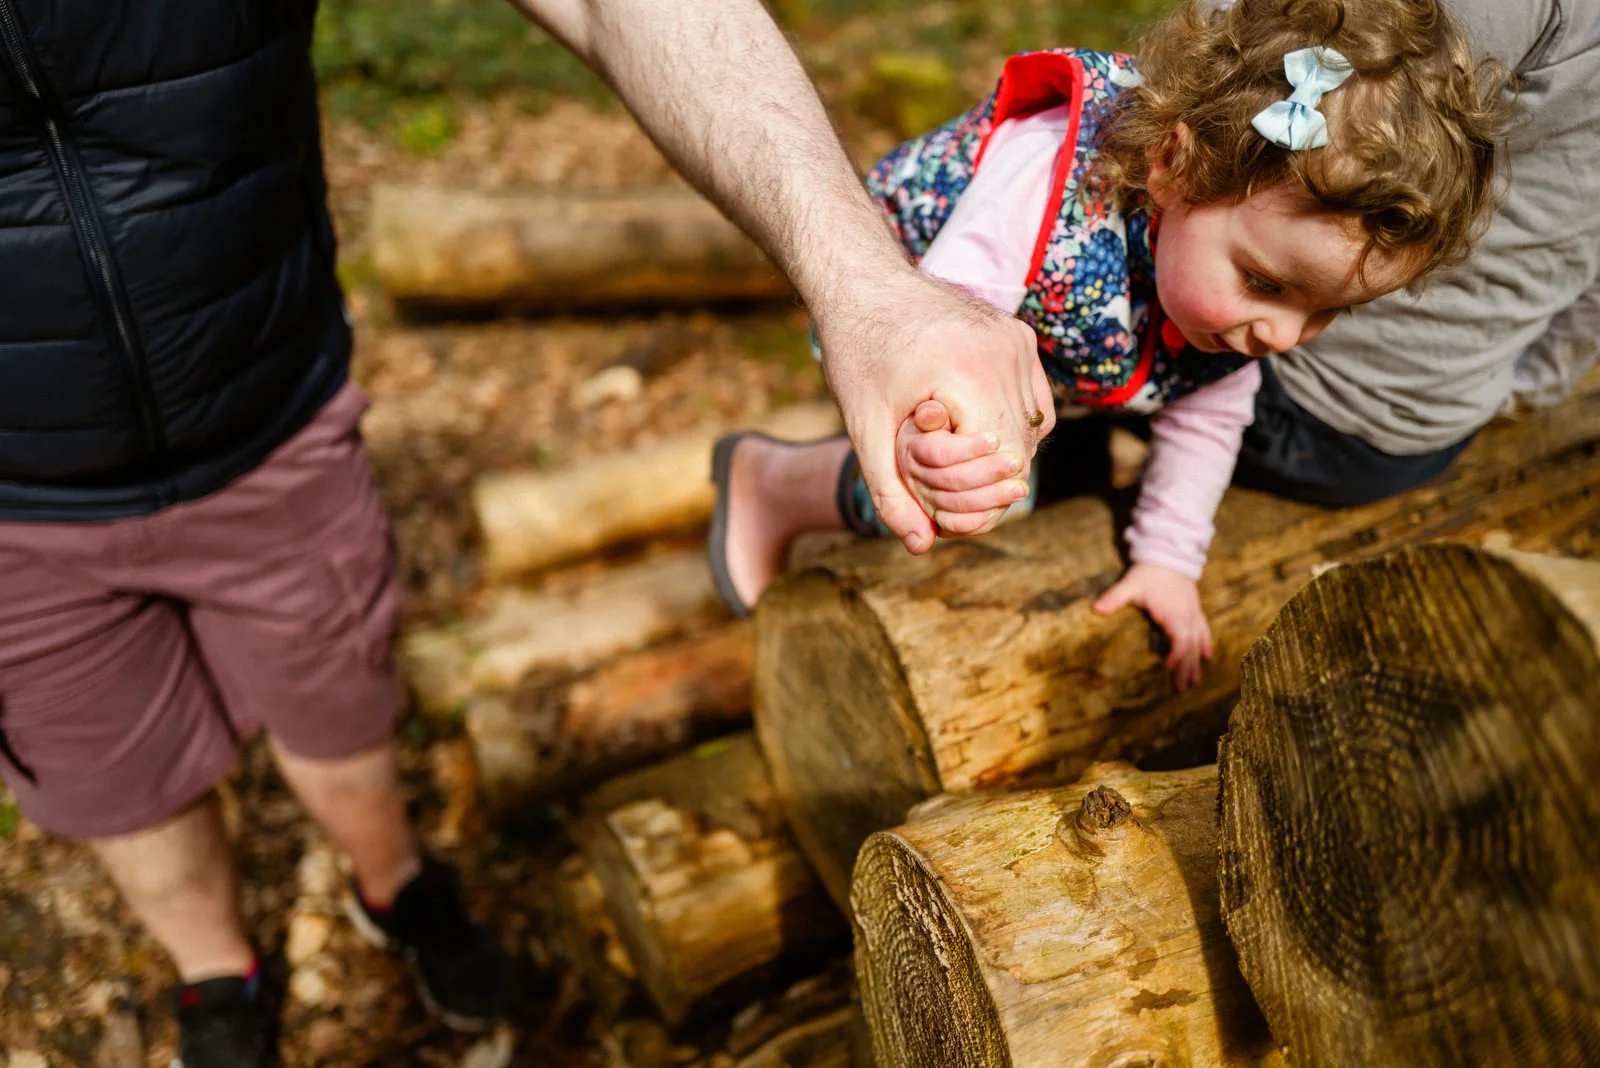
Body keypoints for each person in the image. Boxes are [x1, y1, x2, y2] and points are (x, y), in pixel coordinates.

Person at [0, 1, 1043, 1065]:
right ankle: (217, 976)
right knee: (118, 782)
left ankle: (396, 888)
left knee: (340, 711)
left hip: (271, 420)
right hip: (15, 517)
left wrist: (869, 292)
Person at [707, 0, 1512, 688]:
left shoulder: (1232, 308)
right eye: (1266, 284)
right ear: (1172, 164)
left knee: (1044, 480)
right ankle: (775, 483)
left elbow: (1206, 421)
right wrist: (937, 434)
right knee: (979, 491)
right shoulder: (1046, 181)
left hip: (1057, 357)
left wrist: (1168, 561)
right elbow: (943, 325)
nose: (1282, 335)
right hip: (924, 305)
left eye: (1326, 313)